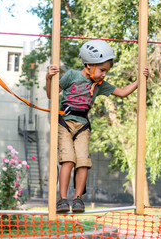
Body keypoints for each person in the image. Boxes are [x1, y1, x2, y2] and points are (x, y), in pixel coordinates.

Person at [46, 39, 149, 213]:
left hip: (83, 125)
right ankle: (62, 199)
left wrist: (141, 80)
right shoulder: (71, 76)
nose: (104, 75)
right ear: (88, 66)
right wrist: (49, 77)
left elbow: (122, 93)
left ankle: (78, 199)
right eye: (102, 70)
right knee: (68, 160)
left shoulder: (100, 85)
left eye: (106, 71)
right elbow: (51, 94)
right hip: (65, 123)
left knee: (84, 162)